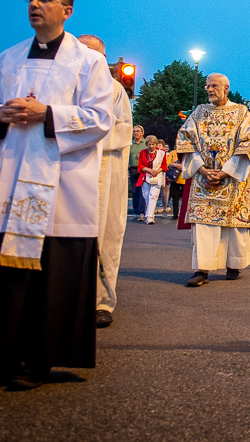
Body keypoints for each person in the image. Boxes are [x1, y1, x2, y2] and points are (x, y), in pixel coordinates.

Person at [0, 0, 114, 391]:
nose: (35, 4)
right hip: (9, 181)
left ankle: (41, 361)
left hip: (60, 186)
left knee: (50, 278)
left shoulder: (88, 62)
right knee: (1, 276)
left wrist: (47, 114)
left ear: (67, 11)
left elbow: (100, 118)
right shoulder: (7, 59)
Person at [176, 73, 250, 287]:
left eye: (214, 86)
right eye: (207, 86)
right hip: (203, 179)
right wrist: (201, 170)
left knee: (232, 224)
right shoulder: (199, 112)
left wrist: (226, 171)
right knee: (203, 223)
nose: (210, 90)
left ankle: (234, 264)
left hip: (232, 179)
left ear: (226, 88)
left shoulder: (241, 112)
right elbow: (185, 139)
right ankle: (201, 269)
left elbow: (249, 142)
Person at [77, 34, 132, 329]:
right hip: (66, 172)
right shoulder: (62, 85)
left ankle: (101, 300)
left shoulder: (113, 90)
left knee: (103, 236)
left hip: (103, 171)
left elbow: (123, 130)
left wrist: (83, 134)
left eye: (91, 52)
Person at [136, 135, 167, 225]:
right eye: (149, 144)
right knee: (146, 196)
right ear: (147, 144)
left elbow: (164, 165)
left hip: (157, 177)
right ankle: (150, 214)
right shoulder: (143, 152)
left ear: (156, 144)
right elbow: (140, 165)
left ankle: (149, 217)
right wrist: (149, 170)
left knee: (153, 196)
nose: (151, 146)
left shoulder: (161, 153)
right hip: (145, 177)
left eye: (153, 144)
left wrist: (156, 172)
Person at [128, 126, 145, 218]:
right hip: (133, 169)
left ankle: (141, 211)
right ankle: (136, 211)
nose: (135, 133)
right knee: (134, 191)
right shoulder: (130, 144)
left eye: (138, 131)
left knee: (143, 191)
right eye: (134, 131)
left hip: (143, 170)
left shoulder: (146, 143)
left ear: (142, 133)